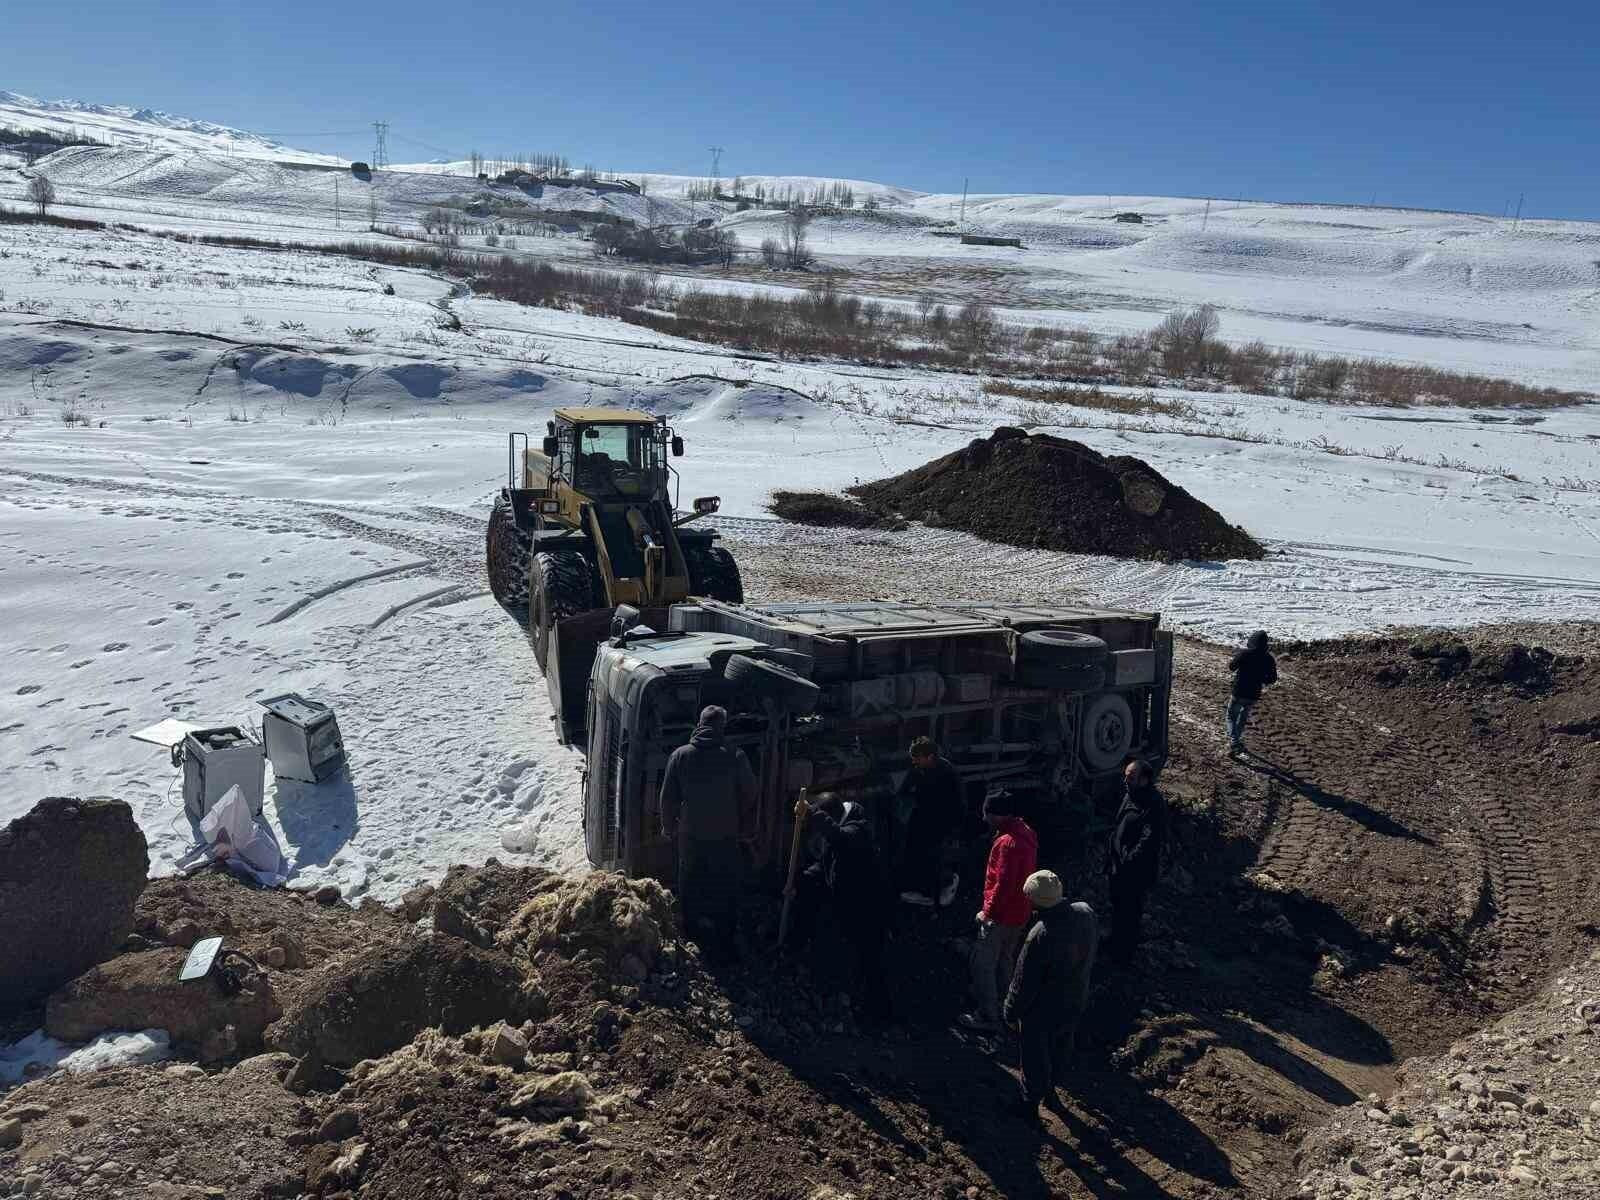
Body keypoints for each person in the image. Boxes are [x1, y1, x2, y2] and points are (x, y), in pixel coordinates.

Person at [659, 705, 757, 962]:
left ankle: (693, 938)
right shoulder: (735, 756)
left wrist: (669, 828)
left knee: (690, 884)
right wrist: (741, 822)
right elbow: (750, 794)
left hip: (690, 837)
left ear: (699, 724)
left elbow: (668, 798)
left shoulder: (680, 756)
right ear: (722, 726)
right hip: (725, 835)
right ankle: (724, 941)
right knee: (725, 885)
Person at [1004, 870, 1098, 1120]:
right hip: (1076, 999)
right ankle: (1051, 1090)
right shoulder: (1085, 913)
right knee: (1061, 1048)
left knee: (1035, 1056)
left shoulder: (1041, 934)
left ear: (1035, 902)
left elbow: (1023, 981)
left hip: (1043, 1009)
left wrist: (1010, 1012)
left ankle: (1029, 1106)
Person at [793, 796, 892, 1022]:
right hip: (850, 901)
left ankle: (878, 1013)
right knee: (853, 952)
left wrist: (812, 813)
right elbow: (827, 862)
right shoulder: (841, 830)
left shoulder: (859, 828)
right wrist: (804, 879)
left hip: (870, 905)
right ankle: (851, 999)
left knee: (870, 957)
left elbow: (839, 838)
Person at [959, 789, 1037, 1031]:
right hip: (1020, 911)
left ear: (998, 815)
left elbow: (1002, 885)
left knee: (983, 962)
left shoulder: (1007, 844)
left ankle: (987, 1015)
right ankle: (1007, 1005)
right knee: (1006, 959)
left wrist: (987, 913)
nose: (984, 818)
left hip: (1001, 915)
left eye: (987, 813)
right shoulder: (1026, 832)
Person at [1106, 758, 1167, 969]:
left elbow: (1149, 840)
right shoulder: (1131, 795)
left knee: (1130, 912)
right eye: (1126, 776)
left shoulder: (1153, 803)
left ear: (1144, 780)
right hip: (1118, 866)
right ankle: (1115, 943)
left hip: (1134, 872)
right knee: (1118, 907)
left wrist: (1128, 860)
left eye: (1131, 777)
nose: (1126, 781)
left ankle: (1123, 956)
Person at [896, 737, 963, 908]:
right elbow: (906, 790)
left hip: (940, 822)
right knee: (917, 852)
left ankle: (937, 890)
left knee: (934, 857)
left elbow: (957, 803)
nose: (914, 761)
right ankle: (921, 888)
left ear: (929, 756)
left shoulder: (947, 773)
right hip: (923, 819)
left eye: (917, 757)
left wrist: (951, 828)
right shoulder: (919, 769)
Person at [1227, 630, 1278, 753]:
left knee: (1231, 716)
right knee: (1243, 717)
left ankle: (1234, 741)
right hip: (1253, 694)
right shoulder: (1268, 658)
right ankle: (1236, 741)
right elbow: (1272, 679)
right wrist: (1261, 678)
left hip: (1239, 691)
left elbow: (1231, 667)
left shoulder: (1245, 654)